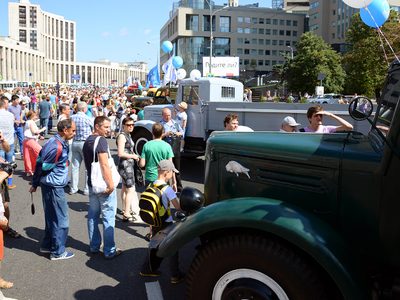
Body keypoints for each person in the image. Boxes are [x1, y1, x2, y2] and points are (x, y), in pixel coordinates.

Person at [29, 119, 76, 260]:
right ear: (65, 130)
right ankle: (57, 252)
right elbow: (44, 167)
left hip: (48, 185)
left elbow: (39, 162)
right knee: (61, 220)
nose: (74, 133)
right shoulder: (57, 146)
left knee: (51, 218)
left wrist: (36, 183)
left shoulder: (53, 141)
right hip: (54, 186)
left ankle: (47, 245)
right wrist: (36, 182)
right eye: (73, 130)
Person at [140, 159, 186, 284]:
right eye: (172, 172)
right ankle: (175, 274)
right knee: (172, 248)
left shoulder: (151, 185)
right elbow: (178, 207)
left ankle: (146, 269)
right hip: (166, 223)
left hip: (155, 222)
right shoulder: (167, 189)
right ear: (166, 173)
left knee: (153, 245)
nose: (173, 175)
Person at [82, 116, 122, 259]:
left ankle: (94, 245)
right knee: (108, 218)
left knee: (92, 216)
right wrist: (111, 185)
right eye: (105, 127)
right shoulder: (101, 141)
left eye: (109, 127)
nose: (108, 129)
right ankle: (109, 250)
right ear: (97, 127)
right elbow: (104, 165)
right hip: (104, 185)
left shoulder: (88, 140)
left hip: (93, 184)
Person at [116, 117, 139, 222]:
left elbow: (128, 150)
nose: (131, 127)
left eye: (132, 125)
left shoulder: (128, 135)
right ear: (123, 125)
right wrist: (133, 156)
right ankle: (126, 212)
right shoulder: (122, 136)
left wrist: (133, 155)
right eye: (129, 125)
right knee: (131, 189)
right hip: (125, 165)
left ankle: (125, 210)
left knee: (125, 187)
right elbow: (120, 153)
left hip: (128, 164)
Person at [70, 102, 93, 196]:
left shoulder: (71, 118)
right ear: (84, 109)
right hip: (85, 142)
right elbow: (93, 128)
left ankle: (73, 188)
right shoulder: (87, 118)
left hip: (75, 142)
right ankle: (86, 189)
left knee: (75, 167)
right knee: (87, 167)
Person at [160, 108, 183, 193]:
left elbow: (182, 132)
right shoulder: (161, 125)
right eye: (166, 116)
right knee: (166, 168)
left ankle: (179, 187)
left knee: (177, 169)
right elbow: (156, 137)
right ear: (162, 115)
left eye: (169, 115)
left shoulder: (175, 124)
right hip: (165, 150)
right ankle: (167, 187)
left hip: (175, 149)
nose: (167, 117)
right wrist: (165, 134)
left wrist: (178, 133)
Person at [23, 111, 46, 176]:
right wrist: (43, 129)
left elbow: (31, 132)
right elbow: (34, 131)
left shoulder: (27, 122)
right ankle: (40, 169)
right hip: (31, 141)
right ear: (32, 116)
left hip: (26, 140)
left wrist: (39, 136)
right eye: (35, 116)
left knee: (28, 156)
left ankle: (29, 170)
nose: (36, 117)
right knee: (40, 153)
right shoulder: (31, 122)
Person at [0, 97, 16, 190]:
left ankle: (1, 183)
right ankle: (9, 183)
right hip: (9, 141)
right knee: (10, 163)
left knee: (1, 163)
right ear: (5, 105)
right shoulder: (10, 115)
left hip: (1, 142)